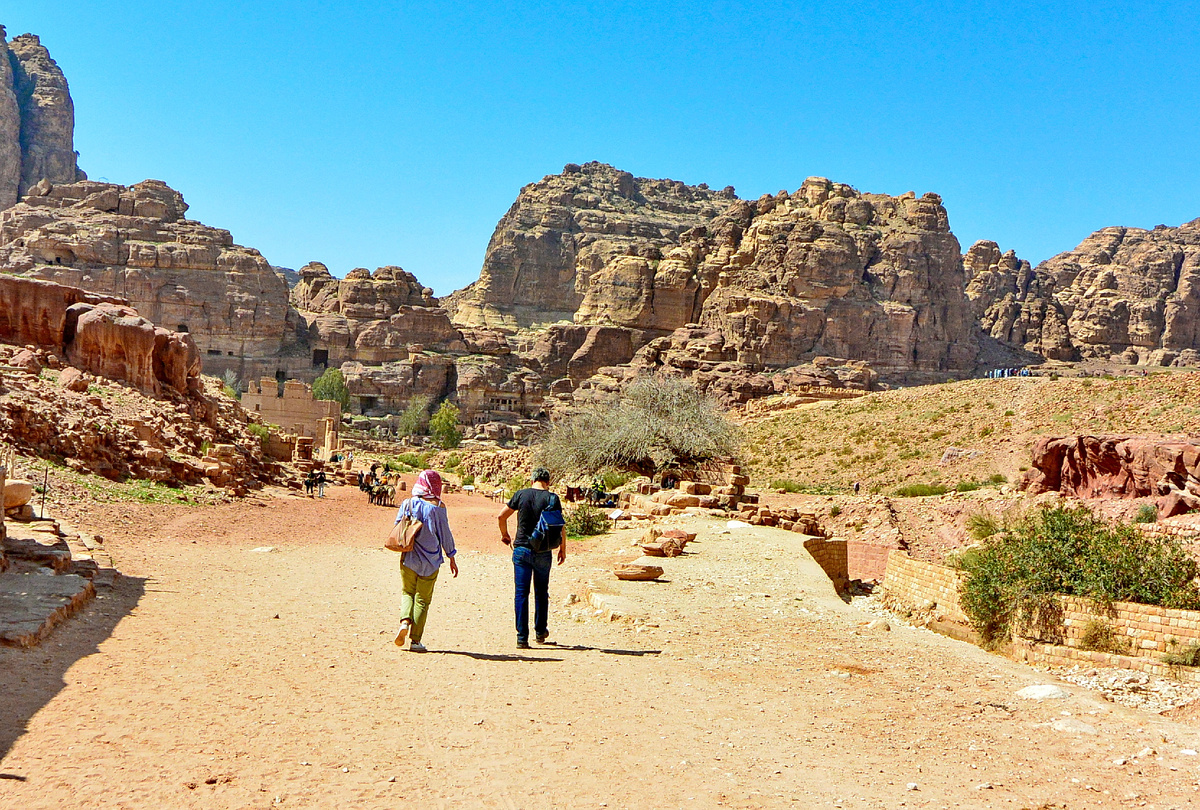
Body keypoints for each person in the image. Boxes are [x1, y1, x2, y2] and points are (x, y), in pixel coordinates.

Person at [497, 467, 566, 649]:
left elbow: (501, 516)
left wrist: (505, 535)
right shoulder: (552, 498)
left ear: (532, 480)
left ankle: (522, 637)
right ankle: (540, 631)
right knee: (541, 592)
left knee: (521, 593)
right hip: (543, 551)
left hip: (521, 550)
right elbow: (560, 525)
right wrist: (563, 549)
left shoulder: (521, 495)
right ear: (548, 482)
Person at [393, 470, 458, 652]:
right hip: (431, 561)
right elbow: (445, 534)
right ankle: (415, 641)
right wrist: (451, 556)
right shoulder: (438, 507)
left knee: (407, 592)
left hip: (409, 557)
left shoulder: (407, 504)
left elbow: (397, 526)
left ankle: (404, 622)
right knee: (422, 599)